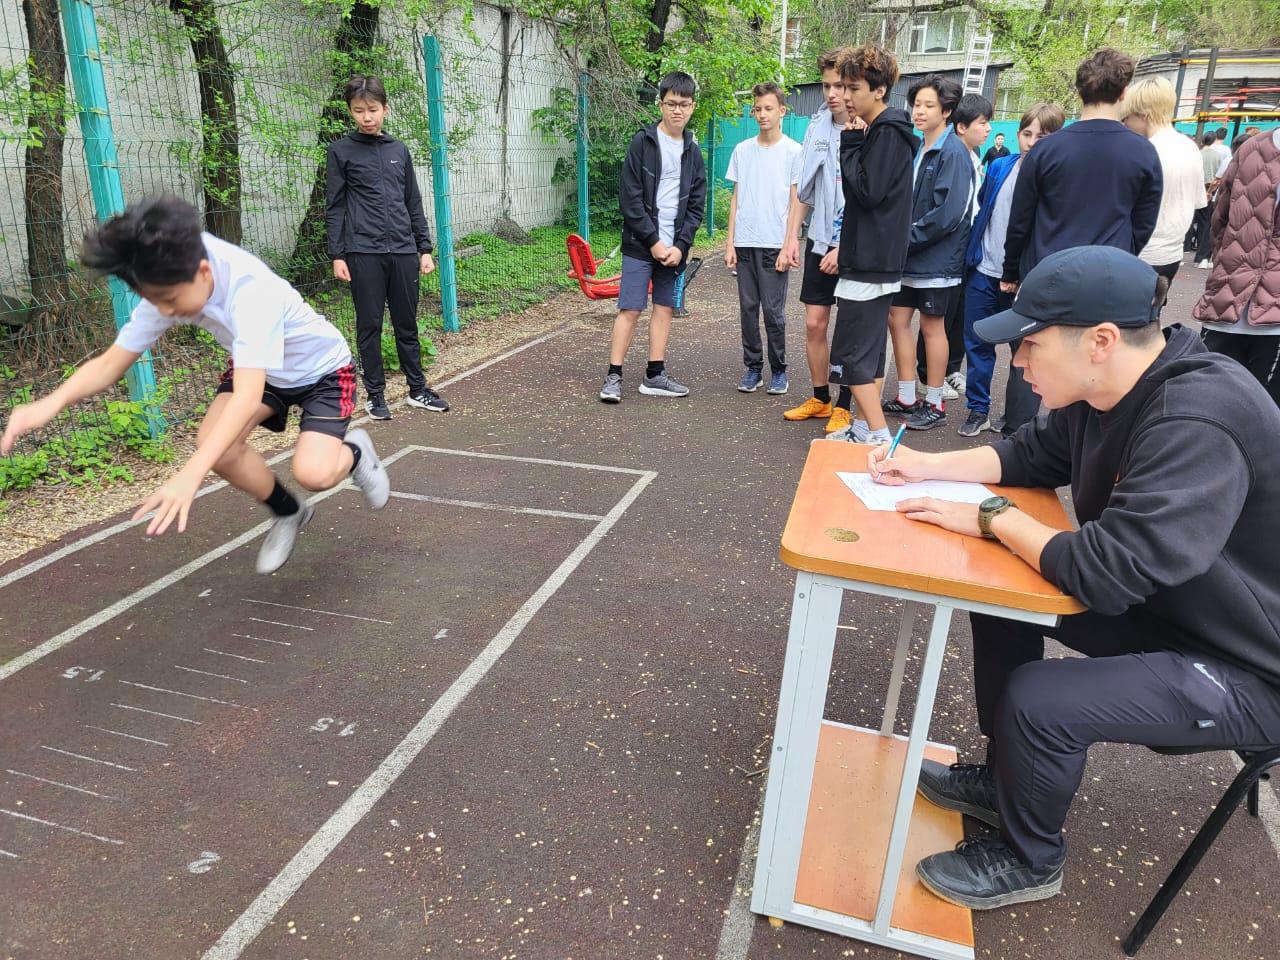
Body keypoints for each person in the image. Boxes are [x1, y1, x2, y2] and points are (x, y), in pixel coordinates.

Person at [868, 245, 1280, 911]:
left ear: (1100, 340)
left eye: (1029, 344)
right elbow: (1031, 454)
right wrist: (923, 465)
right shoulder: (1112, 385)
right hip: (1175, 610)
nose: (1018, 360)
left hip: (1249, 666)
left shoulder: (1199, 416)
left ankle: (1031, 859)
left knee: (1042, 698)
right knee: (1000, 592)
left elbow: (1103, 573)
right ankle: (1005, 779)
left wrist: (993, 517)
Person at [1, 196, 391, 574]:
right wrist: (50, 403)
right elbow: (110, 363)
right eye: (155, 301)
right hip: (258, 368)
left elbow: (246, 398)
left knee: (314, 474)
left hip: (320, 371)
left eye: (170, 300)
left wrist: (190, 474)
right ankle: (290, 511)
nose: (166, 312)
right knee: (215, 446)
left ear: (204, 272)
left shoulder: (252, 292)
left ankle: (354, 452)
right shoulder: (166, 273)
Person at [999, 47, 1163, 436]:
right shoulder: (1142, 151)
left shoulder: (1048, 150)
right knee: (1098, 362)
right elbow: (1143, 222)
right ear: (1124, 93)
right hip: (1107, 279)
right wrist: (1121, 260)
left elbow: (1019, 220)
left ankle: (1017, 438)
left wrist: (1011, 271)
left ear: (1078, 92)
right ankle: (1087, 446)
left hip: (1044, 271)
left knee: (1033, 356)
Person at [326, 74, 447, 421]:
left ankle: (417, 389)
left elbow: (413, 201)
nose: (367, 117)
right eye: (359, 110)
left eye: (373, 110)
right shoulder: (340, 151)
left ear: (385, 109)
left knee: (407, 323)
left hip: (404, 252)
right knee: (370, 325)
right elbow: (334, 207)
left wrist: (424, 248)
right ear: (350, 111)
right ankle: (376, 395)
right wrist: (338, 255)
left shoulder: (399, 150)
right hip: (363, 253)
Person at [826, 43, 918, 444]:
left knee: (852, 356)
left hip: (869, 260)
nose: (845, 96)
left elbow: (866, 192)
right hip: (876, 259)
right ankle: (864, 427)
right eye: (843, 87)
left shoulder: (885, 133)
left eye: (853, 87)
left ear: (879, 90)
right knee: (869, 351)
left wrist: (850, 145)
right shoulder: (886, 131)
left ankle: (878, 436)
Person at [958, 103, 1065, 437]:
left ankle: (1018, 422)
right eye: (1027, 133)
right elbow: (985, 213)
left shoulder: (1057, 179)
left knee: (1024, 349)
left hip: (1024, 279)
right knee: (976, 341)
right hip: (984, 270)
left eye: (1042, 136)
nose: (1032, 142)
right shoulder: (1000, 166)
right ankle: (978, 410)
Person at [600, 71, 707, 403]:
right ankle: (613, 376)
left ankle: (655, 375)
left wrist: (680, 246)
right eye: (672, 103)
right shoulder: (642, 142)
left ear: (692, 107)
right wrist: (654, 242)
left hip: (674, 249)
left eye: (684, 104)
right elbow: (629, 199)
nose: (678, 110)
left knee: (664, 309)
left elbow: (696, 204)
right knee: (630, 309)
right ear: (660, 104)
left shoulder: (693, 151)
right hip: (640, 245)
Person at [883, 74, 974, 431]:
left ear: (947, 111)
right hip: (909, 255)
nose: (918, 111)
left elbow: (948, 215)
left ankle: (934, 402)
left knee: (933, 328)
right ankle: (907, 396)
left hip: (937, 259)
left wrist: (903, 238)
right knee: (897, 319)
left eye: (928, 106)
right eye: (916, 104)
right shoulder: (919, 146)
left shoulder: (954, 152)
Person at [781, 49, 854, 433]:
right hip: (820, 240)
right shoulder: (817, 126)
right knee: (813, 322)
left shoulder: (869, 127)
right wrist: (792, 237)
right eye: (826, 85)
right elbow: (803, 190)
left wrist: (846, 246)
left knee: (851, 328)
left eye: (840, 85)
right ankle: (821, 397)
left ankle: (847, 402)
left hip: (856, 246)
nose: (831, 93)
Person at [914, 93, 994, 407]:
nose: (988, 129)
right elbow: (945, 212)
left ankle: (945, 375)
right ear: (960, 126)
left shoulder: (972, 157)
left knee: (954, 317)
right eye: (982, 123)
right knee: (934, 321)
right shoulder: (945, 153)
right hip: (937, 253)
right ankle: (925, 382)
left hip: (961, 250)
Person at [1193, 127, 1280, 407]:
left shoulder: (1251, 148)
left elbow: (1221, 221)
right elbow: (1221, 220)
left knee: (1214, 407)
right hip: (1230, 306)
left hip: (1236, 303)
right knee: (1255, 414)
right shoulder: (1251, 150)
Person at [725, 82, 803, 395]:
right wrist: (730, 241)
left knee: (773, 312)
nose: (762, 114)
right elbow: (736, 197)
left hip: (775, 244)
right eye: (757, 109)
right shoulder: (742, 150)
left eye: (768, 108)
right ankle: (753, 368)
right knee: (747, 309)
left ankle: (779, 370)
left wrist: (789, 243)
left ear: (782, 111)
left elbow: (797, 201)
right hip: (746, 241)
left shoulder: (794, 152)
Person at [1120, 77, 1206, 302]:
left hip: (1139, 254)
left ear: (1144, 115)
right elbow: (1198, 202)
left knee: (1124, 324)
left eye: (1127, 117)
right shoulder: (1190, 147)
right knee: (1151, 318)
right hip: (1172, 255)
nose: (1126, 123)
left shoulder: (1144, 152)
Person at [1193, 133, 1220, 268]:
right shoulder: (1217, 155)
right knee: (1205, 221)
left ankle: (1186, 245)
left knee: (1192, 218)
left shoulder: (1197, 154)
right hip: (1209, 187)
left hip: (1195, 185)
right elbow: (1218, 176)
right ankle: (1200, 248)